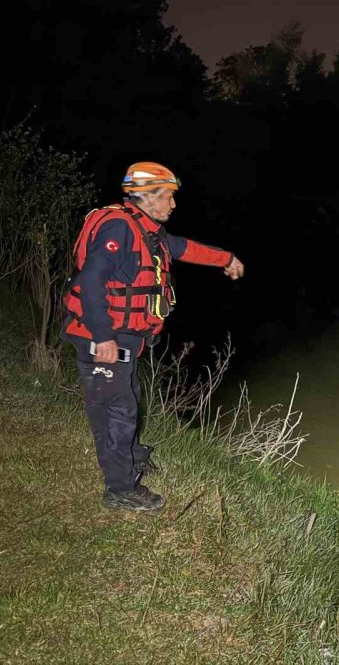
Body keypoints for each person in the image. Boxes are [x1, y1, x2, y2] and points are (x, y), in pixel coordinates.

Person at [63, 162, 245, 512]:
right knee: (117, 411)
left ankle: (131, 456)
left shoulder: (146, 230)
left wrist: (227, 258)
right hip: (102, 338)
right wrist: (102, 337)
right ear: (146, 197)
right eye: (168, 196)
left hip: (126, 338)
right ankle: (119, 488)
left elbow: (184, 248)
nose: (173, 204)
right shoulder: (119, 229)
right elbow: (90, 280)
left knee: (128, 397)